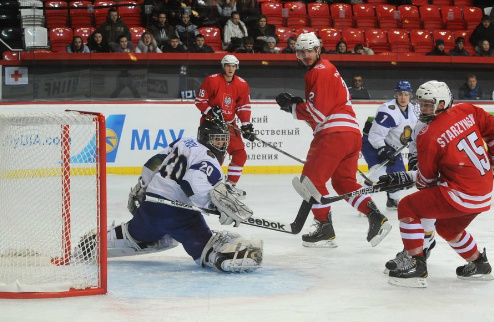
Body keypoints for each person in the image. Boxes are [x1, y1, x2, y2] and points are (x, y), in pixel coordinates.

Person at [75, 115, 263, 273]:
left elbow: (153, 163)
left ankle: (96, 244)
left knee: (135, 233)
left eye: (223, 139)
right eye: (216, 139)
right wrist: (214, 206)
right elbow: (192, 181)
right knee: (205, 246)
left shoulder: (184, 141)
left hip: (150, 207)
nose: (220, 144)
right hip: (177, 214)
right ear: (205, 137)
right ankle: (220, 255)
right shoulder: (209, 158)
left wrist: (142, 188)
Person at [275, 32, 391, 248]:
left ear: (318, 50)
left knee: (309, 182)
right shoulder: (327, 69)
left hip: (334, 135)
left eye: (310, 50)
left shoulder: (318, 71)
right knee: (343, 183)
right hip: (351, 135)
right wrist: (297, 105)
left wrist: (291, 107)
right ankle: (376, 217)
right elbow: (320, 109)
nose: (306, 55)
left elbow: (318, 114)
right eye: (302, 51)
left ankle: (323, 227)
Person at [378, 80, 494, 287]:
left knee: (408, 206)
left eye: (429, 104)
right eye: (421, 104)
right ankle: (479, 264)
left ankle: (416, 264)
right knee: (448, 230)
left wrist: (409, 177)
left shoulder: (429, 135)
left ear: (442, 102)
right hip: (484, 192)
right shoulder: (467, 110)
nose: (424, 108)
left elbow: (426, 182)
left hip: (461, 193)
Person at [195, 55, 254, 196]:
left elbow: (243, 106)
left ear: (236, 67)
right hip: (212, 124)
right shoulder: (212, 80)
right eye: (228, 65)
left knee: (240, 154)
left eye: (233, 66)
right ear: (223, 66)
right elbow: (200, 100)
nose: (230, 68)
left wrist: (246, 125)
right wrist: (211, 111)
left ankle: (230, 185)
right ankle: (207, 185)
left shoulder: (242, 84)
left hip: (229, 124)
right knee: (215, 156)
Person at [361, 81, 418, 210]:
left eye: (406, 94)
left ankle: (392, 201)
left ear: (410, 96)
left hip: (392, 147)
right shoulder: (388, 110)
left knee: (399, 180)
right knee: (379, 171)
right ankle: (362, 200)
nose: (403, 97)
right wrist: (383, 149)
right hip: (372, 142)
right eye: (400, 94)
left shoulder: (415, 110)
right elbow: (375, 136)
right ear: (396, 95)